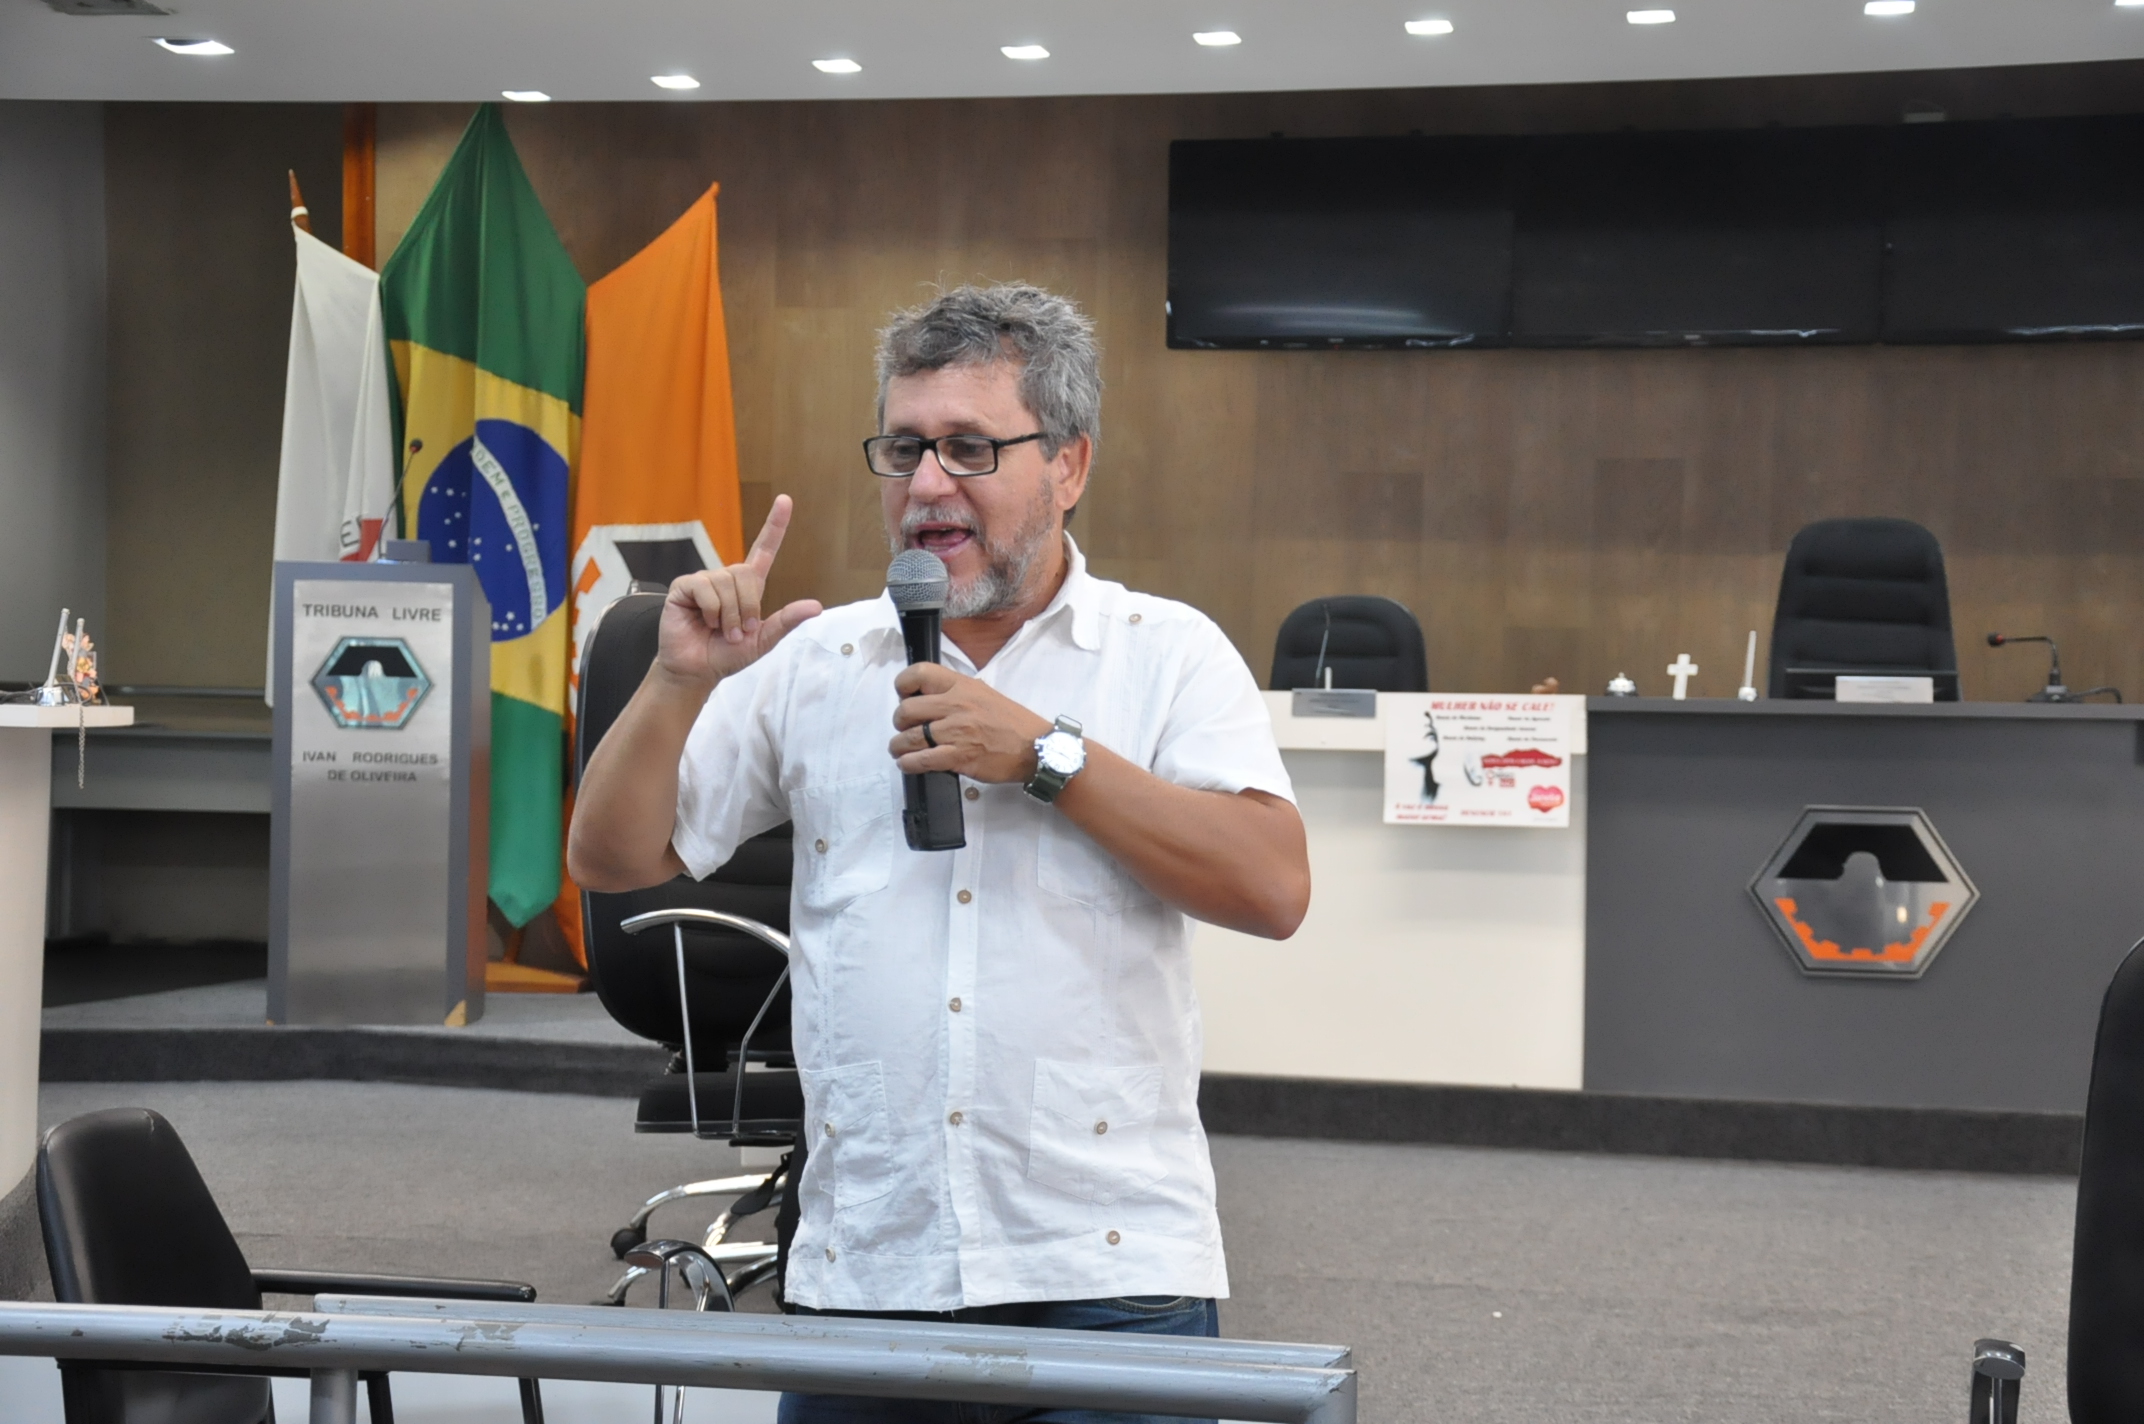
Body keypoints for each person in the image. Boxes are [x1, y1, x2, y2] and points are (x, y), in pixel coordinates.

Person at [569, 283, 1312, 1423]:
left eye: (970, 448)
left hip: (1105, 1268)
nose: (925, 486)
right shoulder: (821, 658)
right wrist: (675, 682)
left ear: (1067, 464)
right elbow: (612, 858)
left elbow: (1270, 885)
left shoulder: (1164, 653)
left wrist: (1046, 757)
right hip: (871, 1260)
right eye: (904, 447)